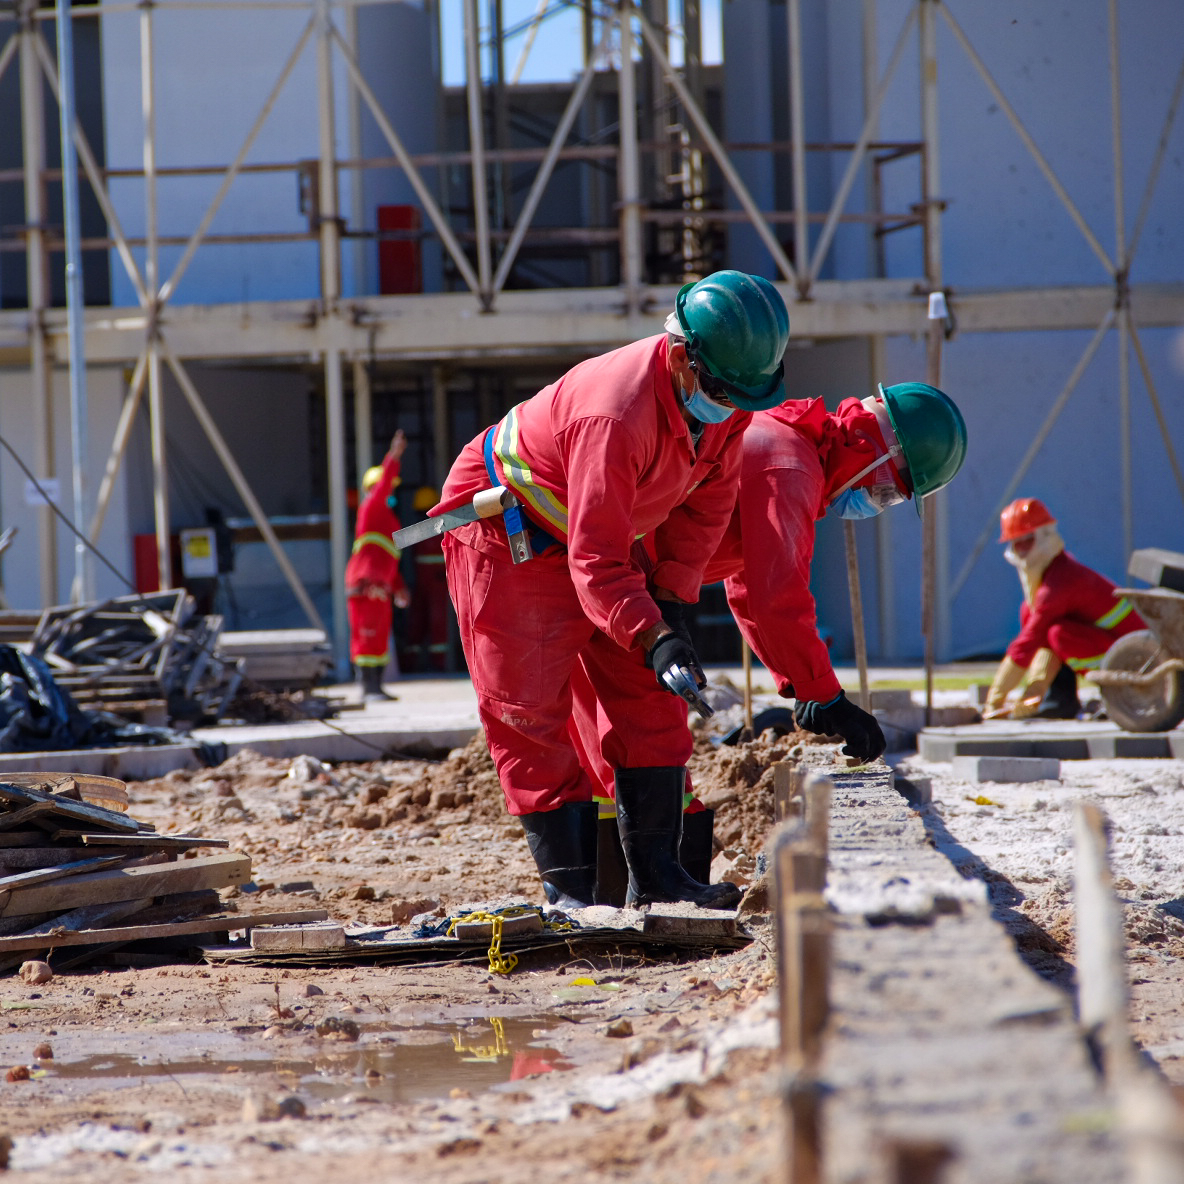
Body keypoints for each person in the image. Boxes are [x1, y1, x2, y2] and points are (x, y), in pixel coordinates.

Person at [436, 270, 789, 911]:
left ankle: (658, 880)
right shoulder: (615, 413)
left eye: (743, 397)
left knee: (651, 699)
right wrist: (652, 633)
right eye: (720, 390)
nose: (731, 407)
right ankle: (569, 891)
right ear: (683, 356)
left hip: (599, 530)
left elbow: (706, 510)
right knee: (529, 709)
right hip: (509, 531)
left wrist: (672, 609)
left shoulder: (722, 406)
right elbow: (595, 563)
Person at [571, 382, 967, 898]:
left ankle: (616, 898)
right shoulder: (790, 466)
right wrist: (825, 694)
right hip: (623, 583)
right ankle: (658, 897)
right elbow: (778, 596)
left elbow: (746, 589)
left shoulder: (782, 443)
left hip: (607, 579)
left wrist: (800, 684)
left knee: (612, 745)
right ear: (873, 449)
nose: (876, 503)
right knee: (649, 734)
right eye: (888, 491)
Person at [984, 498, 1144, 720]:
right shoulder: (1055, 574)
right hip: (1119, 646)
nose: (1020, 550)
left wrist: (995, 699)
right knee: (1032, 615)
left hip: (1135, 659)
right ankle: (1057, 699)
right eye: (1015, 542)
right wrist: (1032, 696)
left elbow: (1028, 643)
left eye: (1027, 540)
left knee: (1056, 633)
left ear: (1044, 537)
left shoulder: (1060, 584)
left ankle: (1118, 689)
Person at [347, 430, 410, 701]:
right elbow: (383, 483)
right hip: (365, 586)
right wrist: (394, 455)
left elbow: (388, 560)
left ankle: (376, 686)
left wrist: (399, 588)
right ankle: (367, 687)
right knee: (367, 634)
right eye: (388, 486)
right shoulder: (371, 508)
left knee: (380, 635)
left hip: (380, 586)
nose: (391, 490)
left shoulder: (388, 520)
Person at [402, 486, 452, 672]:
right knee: (425, 621)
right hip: (429, 582)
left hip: (432, 582)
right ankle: (426, 661)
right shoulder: (434, 529)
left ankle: (434, 662)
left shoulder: (433, 529)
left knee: (431, 621)